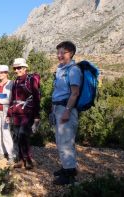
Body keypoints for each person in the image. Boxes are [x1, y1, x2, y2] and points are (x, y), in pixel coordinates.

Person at [51, 41, 81, 185]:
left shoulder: (73, 70)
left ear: (71, 53)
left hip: (66, 108)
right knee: (61, 140)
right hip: (59, 108)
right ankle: (67, 167)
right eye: (58, 52)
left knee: (65, 142)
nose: (59, 55)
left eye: (62, 52)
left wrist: (67, 111)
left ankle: (69, 175)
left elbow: (75, 93)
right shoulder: (61, 69)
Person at [7, 58, 40, 170]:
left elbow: (36, 98)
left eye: (19, 68)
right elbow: (12, 99)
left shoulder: (30, 80)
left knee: (23, 135)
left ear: (25, 68)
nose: (17, 70)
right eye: (15, 68)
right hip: (16, 114)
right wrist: (8, 114)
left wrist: (36, 116)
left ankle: (28, 159)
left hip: (27, 113)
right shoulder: (16, 81)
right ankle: (21, 160)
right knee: (18, 136)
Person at [0, 65, 15, 165]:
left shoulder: (11, 84)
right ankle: (1, 152)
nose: (0, 74)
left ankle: (11, 155)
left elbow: (11, 99)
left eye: (2, 72)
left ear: (6, 73)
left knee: (6, 133)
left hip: (6, 112)